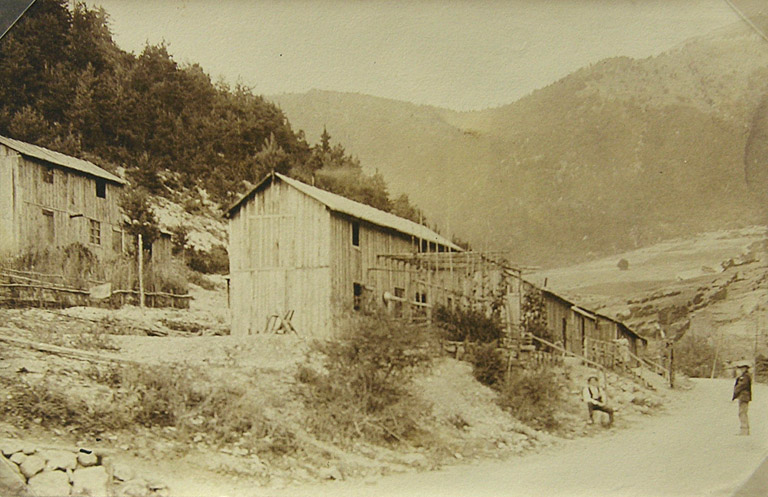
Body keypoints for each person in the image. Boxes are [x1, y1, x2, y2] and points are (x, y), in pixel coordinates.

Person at [732, 360, 752, 435]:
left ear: (746, 368)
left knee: (742, 413)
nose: (741, 369)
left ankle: (744, 430)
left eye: (743, 368)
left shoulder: (745, 377)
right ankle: (744, 430)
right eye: (740, 368)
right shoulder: (744, 376)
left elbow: (741, 386)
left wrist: (734, 394)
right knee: (742, 412)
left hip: (744, 396)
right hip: (743, 396)